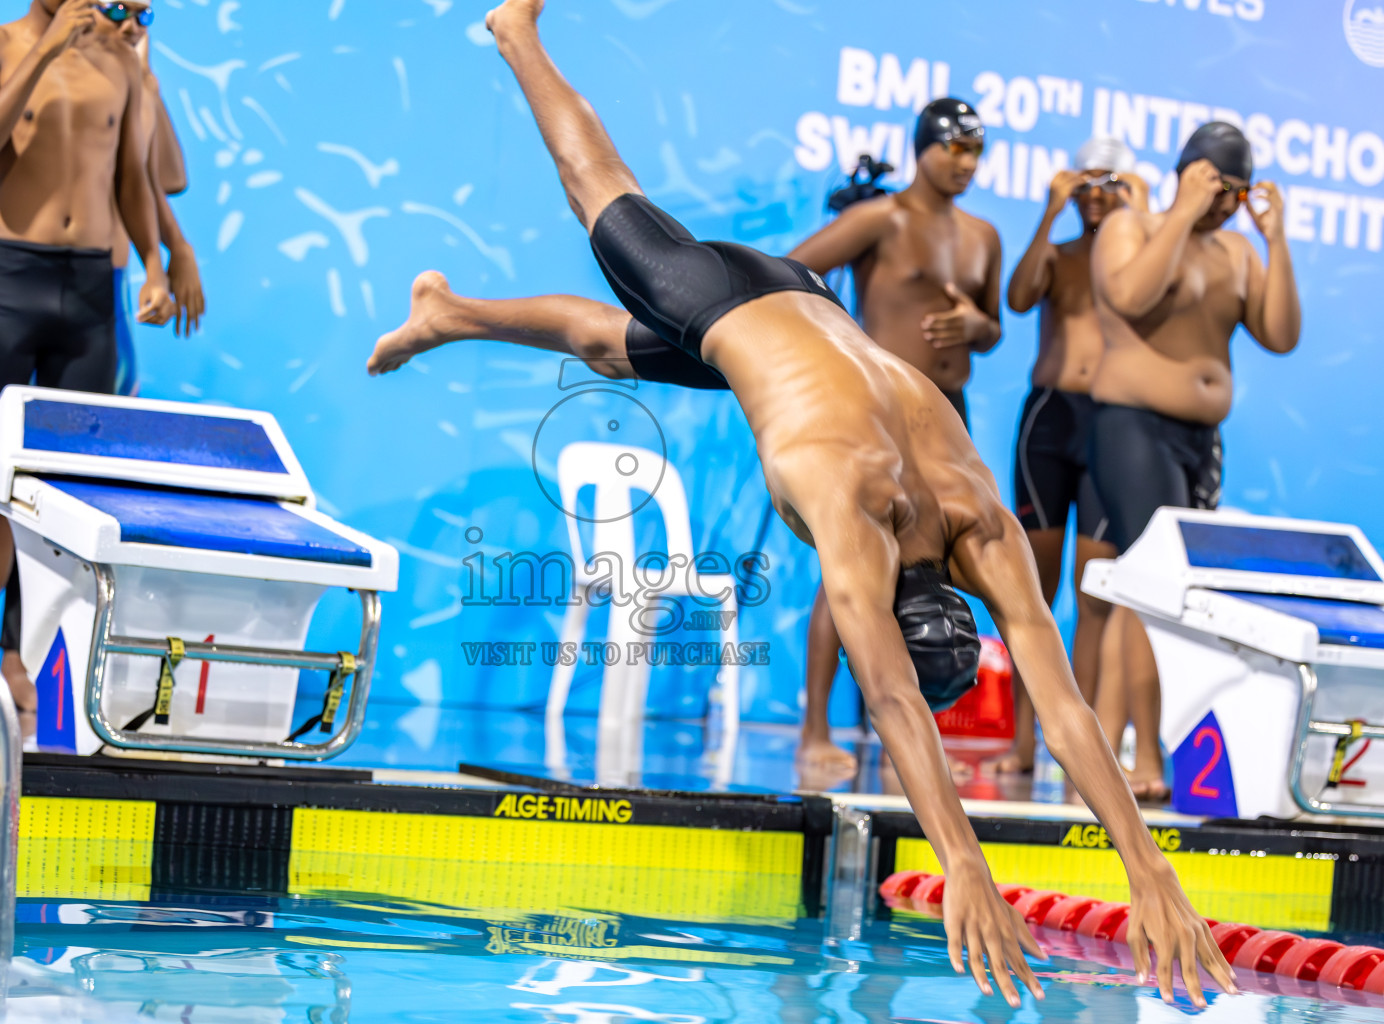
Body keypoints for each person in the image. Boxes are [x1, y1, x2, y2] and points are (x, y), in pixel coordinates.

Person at [372, 0, 1237, 1006]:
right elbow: (902, 702)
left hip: (805, 310)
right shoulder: (856, 500)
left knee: (615, 346)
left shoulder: (975, 517)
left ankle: (448, 313)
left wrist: (1152, 868)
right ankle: (517, 32)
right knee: (600, 193)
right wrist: (961, 859)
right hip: (726, 298)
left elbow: (1063, 707)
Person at [0, 4, 201, 721]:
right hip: (6, 279)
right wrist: (50, 48)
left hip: (88, 292)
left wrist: (154, 262)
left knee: (27, 502)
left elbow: (136, 182)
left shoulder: (119, 61)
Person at [781, 98, 1005, 776]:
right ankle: (815, 731)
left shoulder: (984, 236)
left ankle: (915, 734)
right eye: (953, 149)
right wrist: (841, 347)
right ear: (921, 148)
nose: (963, 163)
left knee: (933, 577)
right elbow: (788, 273)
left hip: (946, 417)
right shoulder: (880, 218)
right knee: (850, 567)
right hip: (876, 415)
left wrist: (975, 329)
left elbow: (993, 327)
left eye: (975, 151)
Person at [1089, 122, 1300, 799]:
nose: (1224, 203)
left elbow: (1281, 335)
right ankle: (1140, 752)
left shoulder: (1238, 250)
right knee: (1148, 589)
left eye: (1235, 191)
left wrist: (1275, 240)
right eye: (1214, 185)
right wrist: (1181, 210)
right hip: (1133, 428)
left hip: (1199, 444)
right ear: (1186, 173)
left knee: (1160, 596)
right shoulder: (1133, 227)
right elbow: (1129, 296)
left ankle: (1130, 746)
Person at [986, 138, 1144, 775]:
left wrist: (1144, 214)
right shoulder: (1060, 251)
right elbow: (1020, 298)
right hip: (1050, 422)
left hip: (1111, 423)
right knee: (1034, 591)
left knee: (1097, 594)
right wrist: (1049, 215)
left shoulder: (1137, 262)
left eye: (1111, 183)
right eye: (1088, 184)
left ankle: (1088, 750)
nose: (1098, 196)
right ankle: (1024, 742)